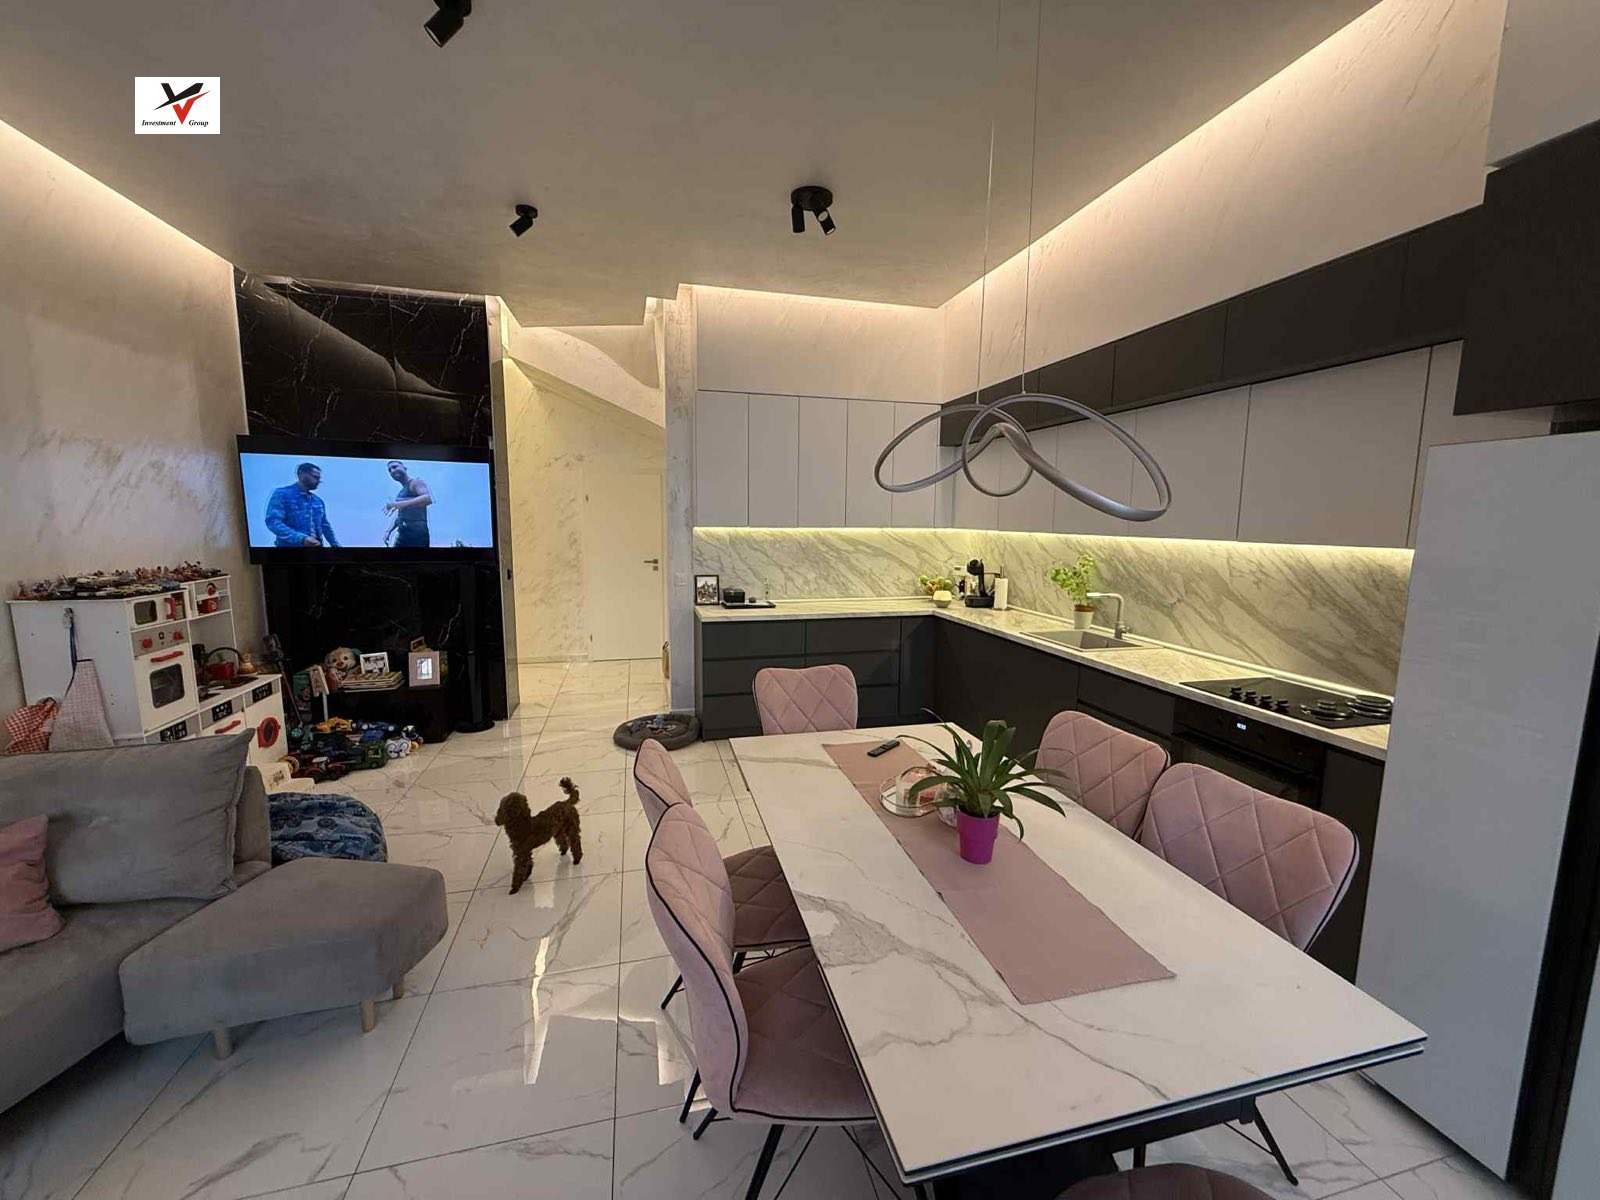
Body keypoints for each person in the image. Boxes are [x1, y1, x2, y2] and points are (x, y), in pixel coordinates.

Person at [265, 462, 339, 548]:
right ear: (301, 474)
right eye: (315, 477)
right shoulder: (282, 494)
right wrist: (301, 538)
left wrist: (337, 547)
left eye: (319, 478)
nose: (318, 481)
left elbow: (325, 527)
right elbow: (273, 522)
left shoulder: (318, 501)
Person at [383, 460, 433, 548]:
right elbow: (400, 514)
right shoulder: (401, 492)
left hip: (417, 534)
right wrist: (388, 531)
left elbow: (427, 499)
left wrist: (398, 504)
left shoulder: (415, 482)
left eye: (395, 467)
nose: (392, 471)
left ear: (405, 468)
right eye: (389, 470)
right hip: (402, 533)